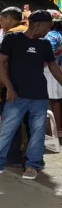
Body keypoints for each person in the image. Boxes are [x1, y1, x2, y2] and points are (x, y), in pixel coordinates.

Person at [0, 10, 62, 179]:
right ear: (38, 24)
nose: (49, 30)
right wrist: (8, 87)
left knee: (38, 132)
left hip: (39, 95)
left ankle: (32, 166)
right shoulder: (13, 39)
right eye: (47, 26)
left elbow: (53, 66)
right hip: (16, 95)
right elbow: (0, 63)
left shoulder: (45, 44)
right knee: (6, 131)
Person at [44, 12, 62, 140]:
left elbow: (47, 54)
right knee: (56, 100)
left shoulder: (50, 35)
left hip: (49, 69)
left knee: (52, 100)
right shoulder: (59, 34)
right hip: (58, 67)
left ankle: (54, 131)